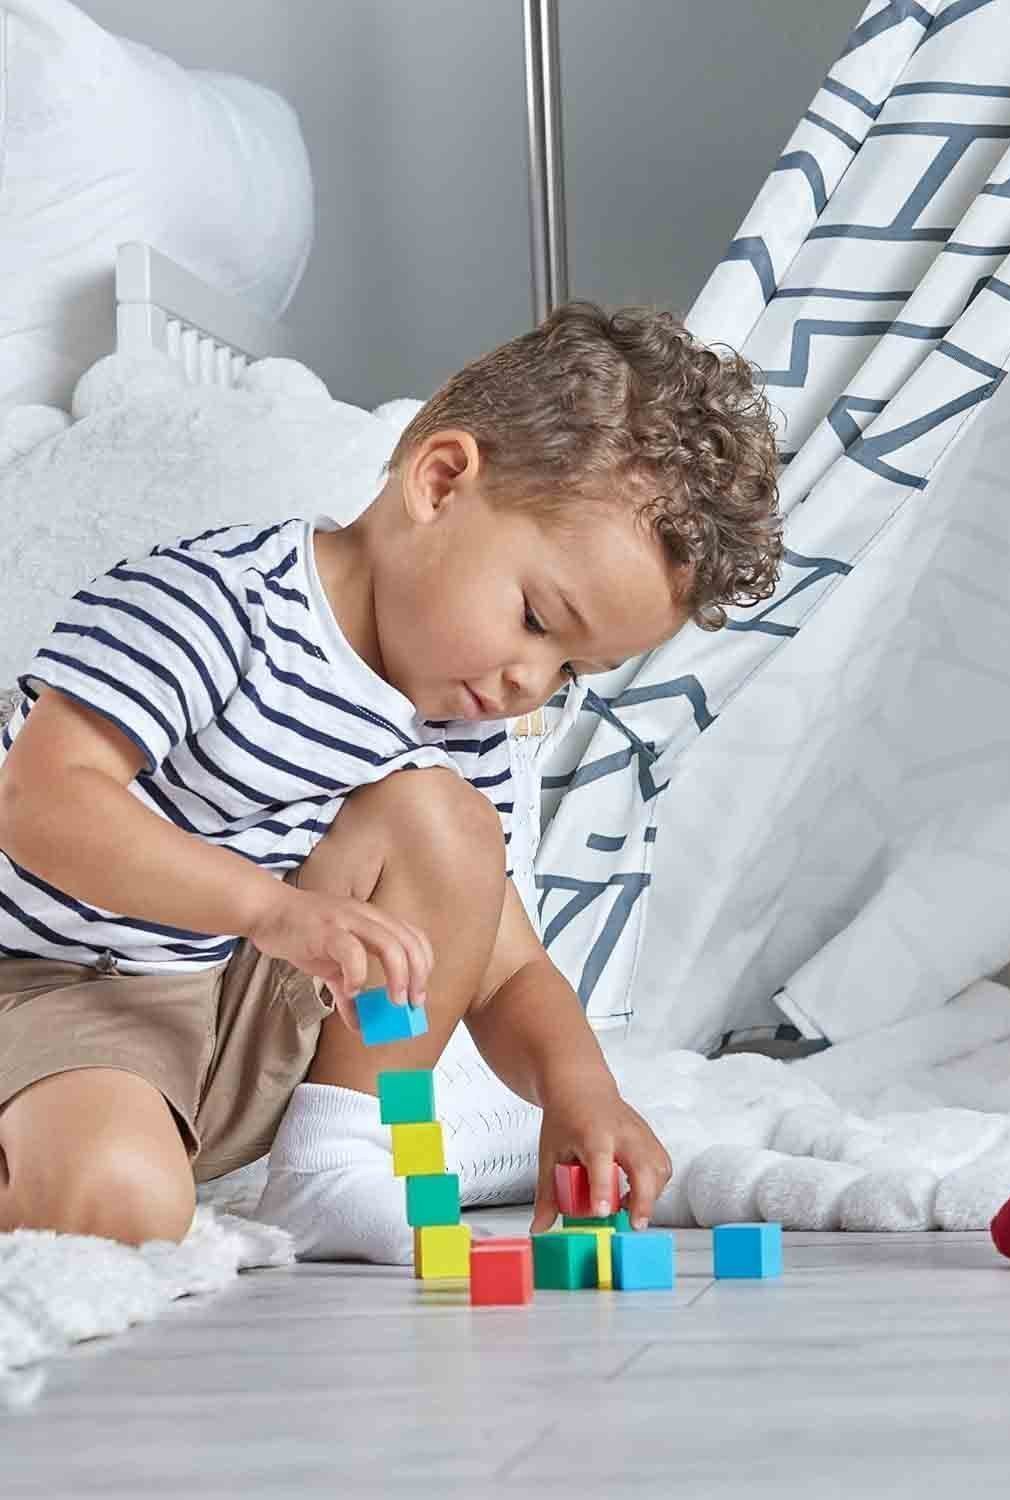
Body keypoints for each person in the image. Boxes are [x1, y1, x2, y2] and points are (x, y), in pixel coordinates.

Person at [0, 302, 783, 1251]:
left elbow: (503, 965)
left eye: (573, 669)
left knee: (447, 823)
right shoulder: (214, 605)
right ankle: (87, 1156)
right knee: (123, 1206)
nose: (531, 683)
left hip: (212, 1016)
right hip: (51, 988)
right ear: (440, 480)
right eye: (537, 621)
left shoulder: (456, 717)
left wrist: (581, 1094)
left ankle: (337, 1162)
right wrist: (272, 911)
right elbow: (40, 801)